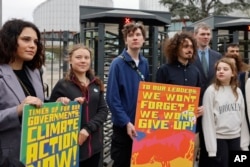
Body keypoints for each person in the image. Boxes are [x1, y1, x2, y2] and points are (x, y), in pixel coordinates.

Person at [49, 44, 108, 167]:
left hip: (94, 148)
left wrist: (88, 129)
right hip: (71, 148)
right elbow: (49, 114)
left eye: (86, 58)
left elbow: (103, 110)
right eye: (79, 57)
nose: (83, 61)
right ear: (70, 60)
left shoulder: (96, 83)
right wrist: (59, 103)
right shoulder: (62, 85)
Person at [156, 31, 203, 166]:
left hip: (192, 128)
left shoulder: (195, 71)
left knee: (189, 162)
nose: (189, 49)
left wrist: (201, 108)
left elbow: (199, 97)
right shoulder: (164, 70)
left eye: (191, 46)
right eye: (185, 46)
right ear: (176, 49)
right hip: (170, 129)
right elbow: (158, 100)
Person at [0, 19, 45, 160]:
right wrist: (18, 110)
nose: (32, 45)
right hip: (8, 155)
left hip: (36, 152)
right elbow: (22, 106)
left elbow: (36, 102)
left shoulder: (35, 72)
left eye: (35, 42)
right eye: (26, 39)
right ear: (10, 40)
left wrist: (57, 103)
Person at [106, 21, 149, 167]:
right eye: (130, 35)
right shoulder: (117, 64)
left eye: (138, 35)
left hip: (141, 126)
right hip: (123, 128)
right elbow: (112, 98)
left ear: (144, 39)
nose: (135, 38)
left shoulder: (144, 63)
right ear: (125, 40)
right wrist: (126, 122)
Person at [202, 57, 250, 167]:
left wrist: (245, 145)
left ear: (233, 73)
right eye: (218, 69)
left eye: (225, 69)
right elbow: (208, 121)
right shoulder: (211, 91)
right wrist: (212, 149)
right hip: (219, 140)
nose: (221, 71)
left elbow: (242, 119)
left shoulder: (237, 90)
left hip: (236, 139)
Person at [192, 22, 222, 166]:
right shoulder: (189, 55)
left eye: (208, 34)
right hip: (194, 109)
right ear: (195, 36)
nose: (205, 37)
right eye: (202, 34)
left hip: (213, 108)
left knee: (211, 146)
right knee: (192, 147)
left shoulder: (217, 56)